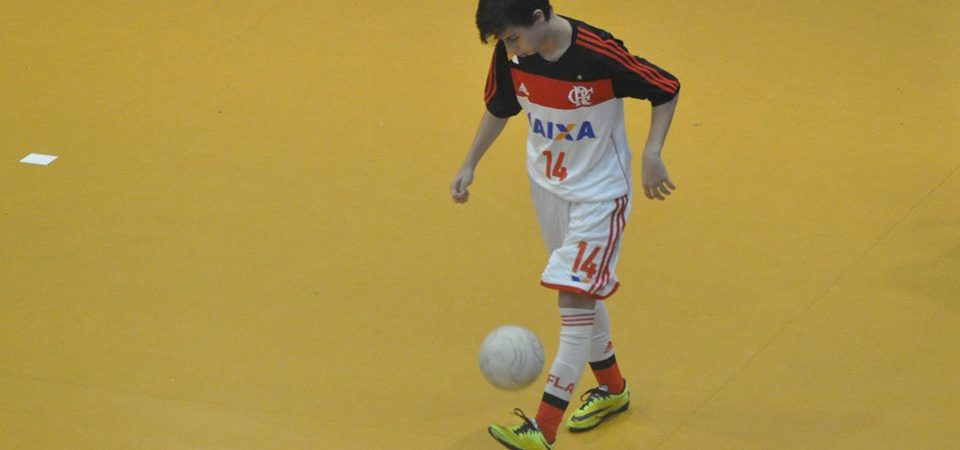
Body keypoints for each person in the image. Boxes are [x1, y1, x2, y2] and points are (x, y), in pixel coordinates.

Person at [450, 0, 680, 448]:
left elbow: (665, 87)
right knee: (583, 290)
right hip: (548, 189)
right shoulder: (512, 52)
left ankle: (543, 428)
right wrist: (469, 163)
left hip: (599, 194)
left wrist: (652, 151)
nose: (508, 47)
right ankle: (613, 390)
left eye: (512, 37)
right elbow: (501, 106)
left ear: (539, 18)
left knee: (573, 296)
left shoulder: (598, 54)